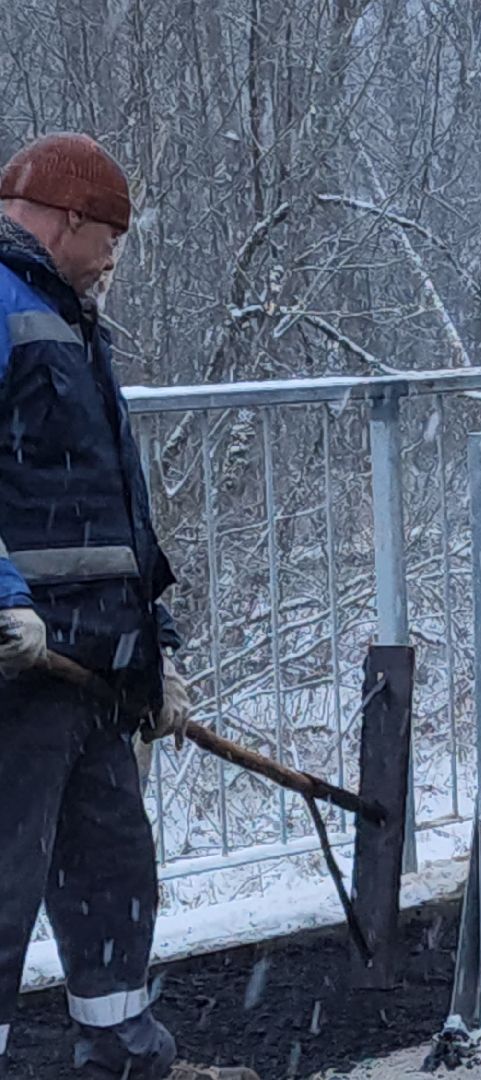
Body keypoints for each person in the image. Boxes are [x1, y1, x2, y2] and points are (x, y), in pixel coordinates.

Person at [0, 134, 253, 1080]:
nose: (117, 256)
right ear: (68, 218)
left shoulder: (71, 321)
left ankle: (121, 1051)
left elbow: (118, 508)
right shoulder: (5, 305)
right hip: (21, 664)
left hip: (98, 666)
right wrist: (6, 604)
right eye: (113, 234)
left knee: (109, 870)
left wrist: (159, 647)